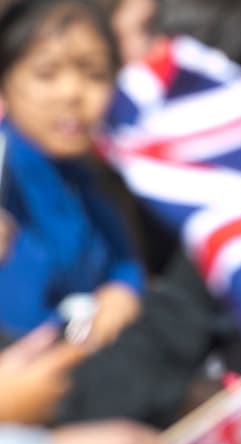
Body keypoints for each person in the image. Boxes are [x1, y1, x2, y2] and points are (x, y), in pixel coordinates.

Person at [0, 0, 143, 347]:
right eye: (46, 73)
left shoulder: (88, 173)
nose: (72, 93)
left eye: (94, 74)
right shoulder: (8, 174)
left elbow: (124, 261)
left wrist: (121, 294)